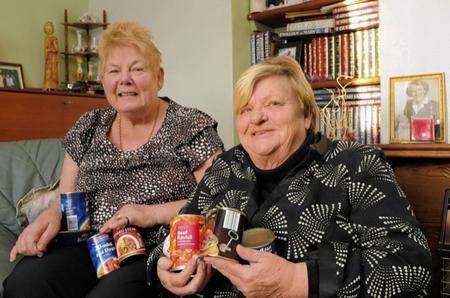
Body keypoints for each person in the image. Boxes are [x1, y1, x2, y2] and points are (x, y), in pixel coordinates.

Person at [150, 56, 432, 297]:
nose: (256, 118)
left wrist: (299, 281)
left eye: (273, 104)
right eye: (245, 109)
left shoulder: (355, 163)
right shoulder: (226, 166)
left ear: (307, 114)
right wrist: (163, 270)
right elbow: (169, 239)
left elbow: (411, 267)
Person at [4, 20, 223, 298]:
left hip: (155, 249)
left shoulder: (191, 125)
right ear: (103, 80)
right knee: (26, 282)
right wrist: (50, 215)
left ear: (159, 76)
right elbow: (66, 198)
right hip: (88, 244)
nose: (124, 79)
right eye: (114, 71)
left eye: (137, 69)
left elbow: (218, 199)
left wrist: (148, 213)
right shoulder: (89, 125)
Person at [43, 21, 59, 90]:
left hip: (53, 57)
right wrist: (46, 53)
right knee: (47, 71)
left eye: (50, 28)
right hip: (48, 58)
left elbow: (56, 49)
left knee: (53, 71)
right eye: (47, 29)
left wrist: (50, 50)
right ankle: (47, 84)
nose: (49, 30)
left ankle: (53, 85)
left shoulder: (54, 38)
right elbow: (45, 48)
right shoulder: (46, 38)